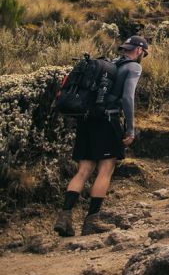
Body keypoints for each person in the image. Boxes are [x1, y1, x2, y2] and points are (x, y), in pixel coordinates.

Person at [54, 35, 148, 237]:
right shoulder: (133, 67)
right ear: (139, 50)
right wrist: (130, 129)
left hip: (87, 120)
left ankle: (65, 217)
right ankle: (92, 221)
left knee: (84, 170)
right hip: (107, 120)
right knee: (106, 168)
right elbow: (127, 97)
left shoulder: (111, 64)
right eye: (144, 53)